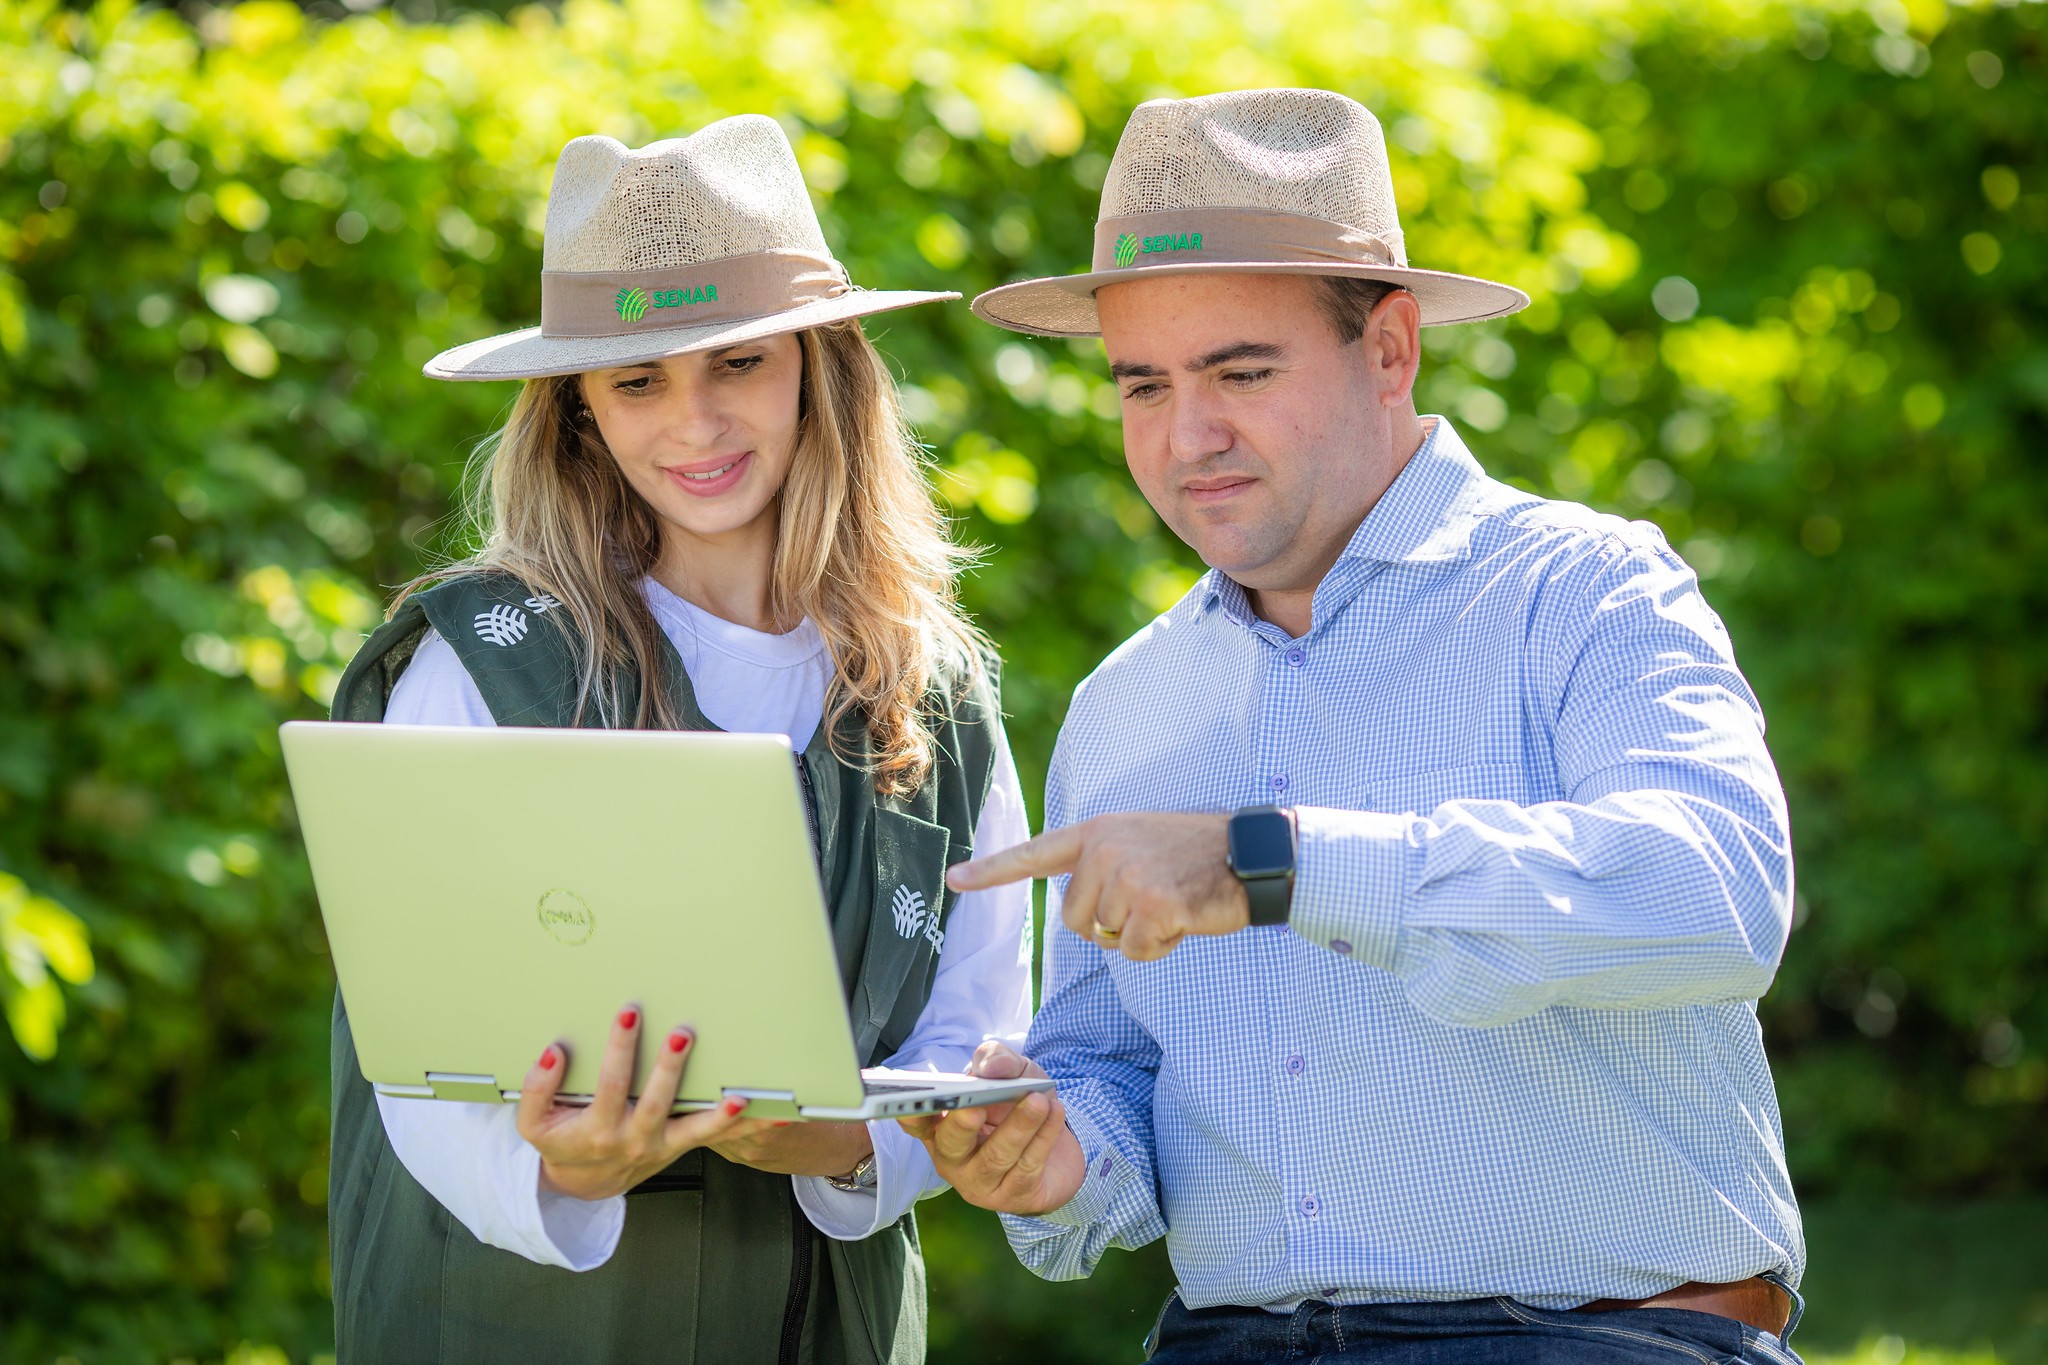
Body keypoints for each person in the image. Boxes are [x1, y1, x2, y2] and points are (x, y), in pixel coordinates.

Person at [903, 88, 1807, 1364]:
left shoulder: (1586, 587)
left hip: (1596, 1341)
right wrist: (1049, 1153)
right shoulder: (1123, 706)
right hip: (1227, 1342)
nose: (1185, 438)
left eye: (1239, 372)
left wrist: (1276, 862)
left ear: (1390, 349)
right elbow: (1108, 1075)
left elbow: (1712, 896)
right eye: (1142, 386)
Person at [322, 116, 1031, 1364]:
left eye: (739, 363)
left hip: (836, 1329)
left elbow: (974, 1028)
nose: (692, 425)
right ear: (581, 411)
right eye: (637, 381)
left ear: (819, 368)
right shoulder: (481, 658)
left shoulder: (939, 687)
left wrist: (852, 1144)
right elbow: (410, 1048)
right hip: (523, 1326)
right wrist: (563, 1168)